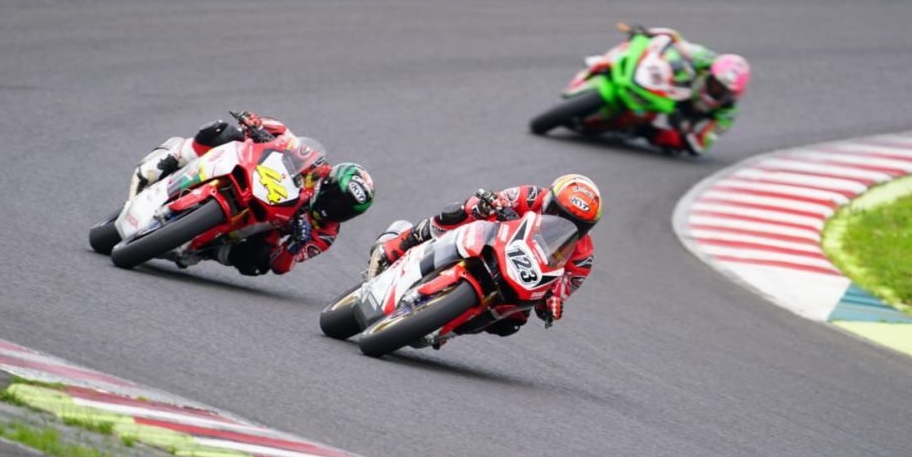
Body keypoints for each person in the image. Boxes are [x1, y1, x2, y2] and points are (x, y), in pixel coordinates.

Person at [130, 111, 374, 276]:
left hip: (266, 223)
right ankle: (170, 160)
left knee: (258, 262)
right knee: (222, 131)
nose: (334, 209)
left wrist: (295, 244)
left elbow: (280, 266)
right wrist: (257, 125)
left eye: (344, 210)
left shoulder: (325, 234)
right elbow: (285, 136)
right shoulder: (316, 167)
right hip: (258, 179)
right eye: (336, 199)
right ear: (328, 182)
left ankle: (208, 251)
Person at [367, 174, 601, 337]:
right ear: (549, 200)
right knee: (458, 213)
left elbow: (562, 287)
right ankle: (396, 245)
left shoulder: (583, 256)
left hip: (523, 275)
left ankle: (445, 327)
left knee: (511, 324)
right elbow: (494, 199)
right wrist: (487, 204)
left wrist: (552, 302)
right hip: (492, 239)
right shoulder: (531, 196)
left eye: (576, 224)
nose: (561, 223)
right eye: (558, 213)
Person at [587, 23, 751, 155]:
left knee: (670, 139)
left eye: (720, 91)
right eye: (713, 83)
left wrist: (684, 131)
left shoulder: (727, 115)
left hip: (685, 117)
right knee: (652, 58)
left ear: (732, 96)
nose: (714, 90)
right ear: (709, 74)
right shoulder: (706, 59)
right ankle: (607, 64)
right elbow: (675, 39)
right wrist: (648, 33)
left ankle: (639, 130)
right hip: (680, 88)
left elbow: (700, 145)